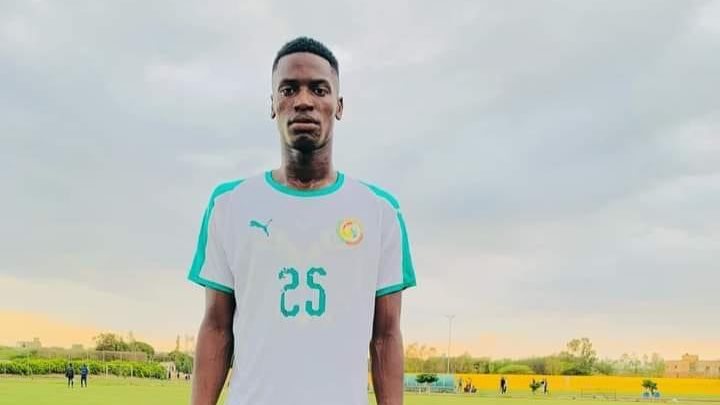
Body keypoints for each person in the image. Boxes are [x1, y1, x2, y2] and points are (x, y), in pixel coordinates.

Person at [188, 37, 417, 405]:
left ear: (338, 105)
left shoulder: (380, 212)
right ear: (273, 105)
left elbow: (386, 336)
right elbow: (216, 327)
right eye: (289, 89)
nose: (304, 101)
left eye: (319, 89)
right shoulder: (230, 204)